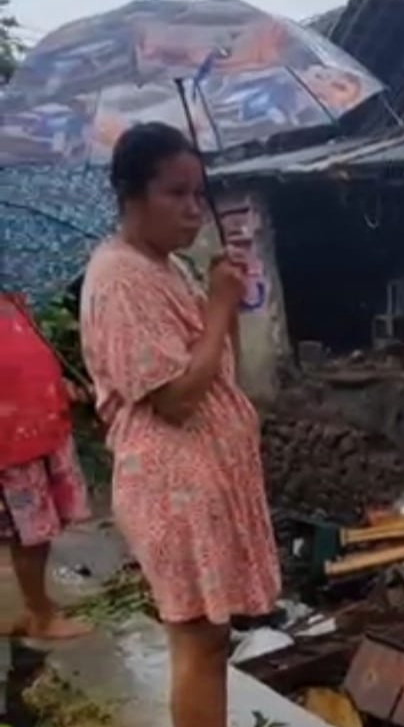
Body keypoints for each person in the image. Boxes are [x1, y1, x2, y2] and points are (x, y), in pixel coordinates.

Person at [80, 122, 280, 727]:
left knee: (210, 640)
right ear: (130, 195)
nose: (194, 209)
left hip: (203, 479)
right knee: (197, 641)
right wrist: (219, 305)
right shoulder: (119, 278)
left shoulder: (168, 268)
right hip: (173, 486)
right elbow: (176, 399)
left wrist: (225, 297)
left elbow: (218, 371)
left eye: (199, 193)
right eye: (176, 193)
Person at [0, 293, 92, 640]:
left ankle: (34, 606)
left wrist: (60, 386)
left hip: (39, 429)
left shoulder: (12, 298)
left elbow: (27, 357)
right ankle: (40, 615)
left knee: (37, 531)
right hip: (11, 443)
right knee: (29, 535)